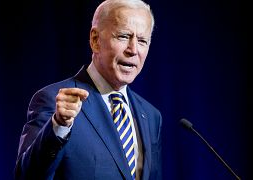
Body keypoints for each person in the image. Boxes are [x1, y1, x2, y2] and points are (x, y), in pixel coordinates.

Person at [14, 0, 162, 179]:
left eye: (142, 40)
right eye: (123, 36)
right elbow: (27, 176)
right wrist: (59, 126)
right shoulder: (54, 101)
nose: (133, 50)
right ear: (95, 40)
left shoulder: (151, 115)